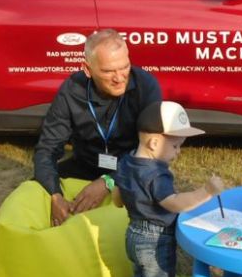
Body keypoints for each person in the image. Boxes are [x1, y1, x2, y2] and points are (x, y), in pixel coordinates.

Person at [112, 100, 225, 277]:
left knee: (140, 276)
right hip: (156, 239)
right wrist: (206, 191)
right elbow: (173, 203)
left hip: (132, 233)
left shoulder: (127, 161)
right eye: (175, 146)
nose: (178, 152)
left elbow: (117, 199)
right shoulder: (157, 173)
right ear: (154, 143)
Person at [34, 29, 162, 227]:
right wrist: (55, 195)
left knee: (150, 197)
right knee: (36, 190)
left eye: (124, 67)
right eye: (108, 71)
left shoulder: (146, 86)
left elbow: (154, 150)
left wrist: (109, 181)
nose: (119, 78)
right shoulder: (71, 90)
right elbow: (47, 149)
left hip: (130, 167)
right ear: (87, 69)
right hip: (86, 164)